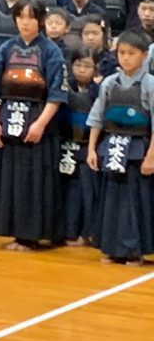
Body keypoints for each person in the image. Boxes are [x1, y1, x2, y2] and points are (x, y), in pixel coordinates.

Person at [0, 0, 66, 251]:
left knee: (35, 180)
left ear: (40, 21)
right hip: (8, 121)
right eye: (21, 17)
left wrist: (40, 124)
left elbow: (57, 94)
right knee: (10, 179)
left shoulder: (51, 50)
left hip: (37, 122)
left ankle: (33, 235)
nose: (25, 23)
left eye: (31, 17)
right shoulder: (6, 49)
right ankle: (15, 233)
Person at [86, 29, 154, 265]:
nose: (125, 58)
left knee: (136, 201)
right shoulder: (109, 83)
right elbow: (96, 119)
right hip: (112, 147)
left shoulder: (150, 84)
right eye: (122, 53)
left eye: (131, 53)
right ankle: (112, 248)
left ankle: (134, 250)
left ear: (144, 55)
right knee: (112, 200)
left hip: (138, 149)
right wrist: (92, 150)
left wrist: (150, 157)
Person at [59, 47, 101, 247]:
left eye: (87, 65)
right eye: (78, 65)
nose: (82, 70)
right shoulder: (64, 89)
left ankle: (86, 233)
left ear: (96, 69)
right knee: (67, 190)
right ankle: (66, 231)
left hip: (87, 147)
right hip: (65, 145)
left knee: (86, 191)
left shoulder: (99, 91)